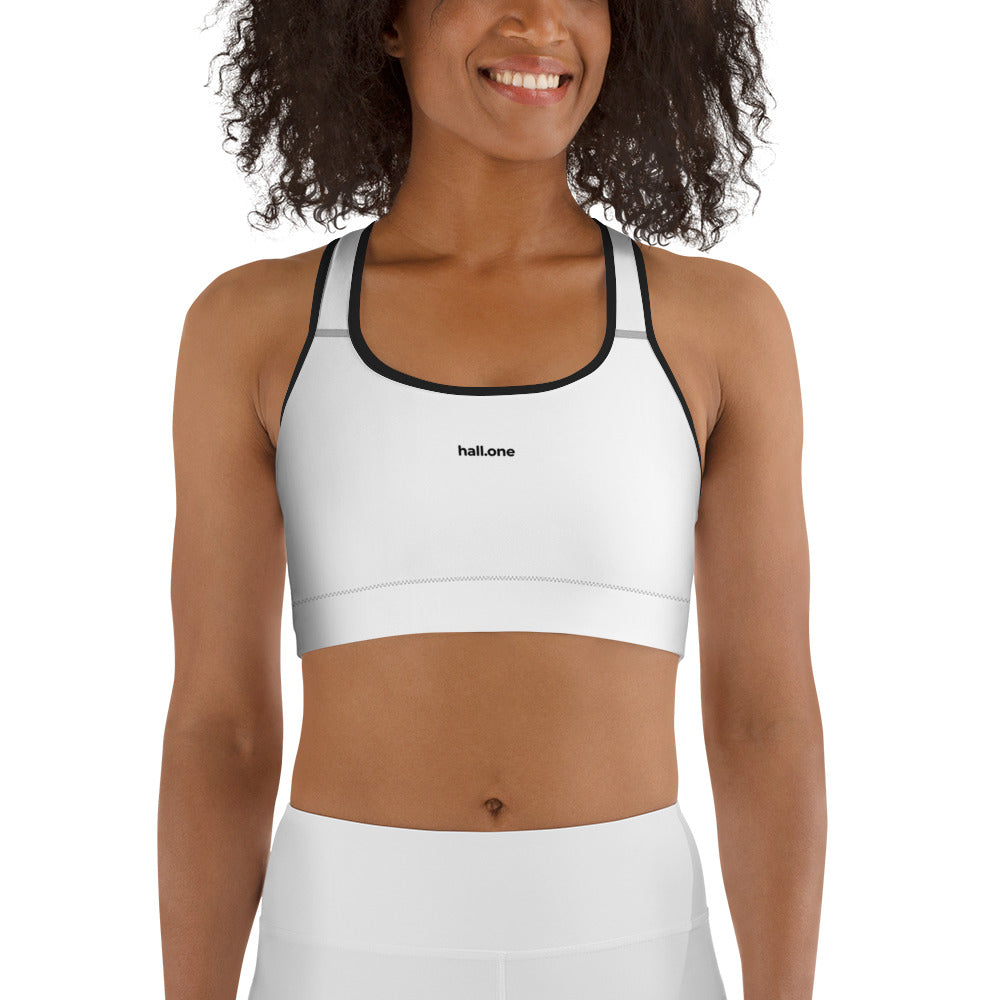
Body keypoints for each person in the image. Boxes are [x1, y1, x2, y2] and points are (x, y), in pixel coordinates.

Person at [159, 1, 827, 998]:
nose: (540, 21)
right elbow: (223, 731)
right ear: (383, 20)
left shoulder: (722, 328)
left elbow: (762, 721)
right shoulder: (253, 329)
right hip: (341, 952)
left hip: (632, 953)